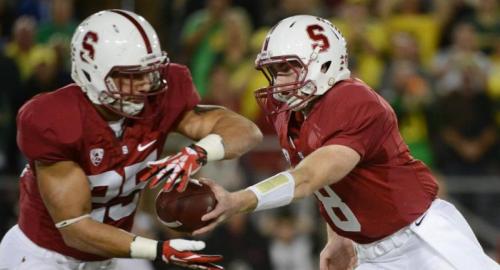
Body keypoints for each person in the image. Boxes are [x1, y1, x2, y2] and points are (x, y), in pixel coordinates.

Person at [193, 15, 500, 270]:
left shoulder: (354, 101)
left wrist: (236, 201)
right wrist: (339, 236)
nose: (279, 83)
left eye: (287, 69)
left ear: (323, 63)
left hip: (422, 239)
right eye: (274, 72)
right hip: (369, 252)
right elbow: (330, 184)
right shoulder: (292, 112)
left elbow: (309, 178)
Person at [0, 9, 262, 270]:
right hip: (44, 256)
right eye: (130, 76)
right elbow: (75, 228)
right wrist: (157, 249)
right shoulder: (57, 120)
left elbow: (246, 131)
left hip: (108, 256)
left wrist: (198, 153)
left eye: (148, 72)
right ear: (93, 73)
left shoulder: (159, 100)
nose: (145, 85)